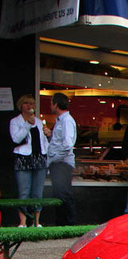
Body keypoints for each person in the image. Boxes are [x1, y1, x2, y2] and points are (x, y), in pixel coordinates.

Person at [9, 94, 49, 227]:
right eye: (26, 103)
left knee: (38, 192)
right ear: (21, 106)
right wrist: (27, 125)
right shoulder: (15, 121)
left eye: (32, 104)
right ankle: (23, 222)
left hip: (39, 158)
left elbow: (43, 142)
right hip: (23, 158)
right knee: (24, 191)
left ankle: (37, 222)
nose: (30, 106)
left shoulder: (38, 121)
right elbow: (16, 139)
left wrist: (49, 135)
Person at [45, 92, 77, 226]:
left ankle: (68, 224)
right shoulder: (61, 121)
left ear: (56, 104)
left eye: (51, 102)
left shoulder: (66, 120)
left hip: (61, 164)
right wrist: (51, 135)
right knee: (59, 194)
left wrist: (55, 158)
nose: (50, 105)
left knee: (63, 195)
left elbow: (68, 144)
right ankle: (62, 224)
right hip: (59, 163)